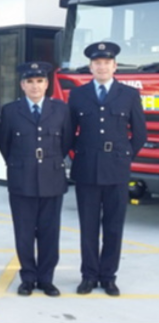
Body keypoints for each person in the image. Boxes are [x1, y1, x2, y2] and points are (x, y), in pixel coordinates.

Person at [69, 42, 147, 296]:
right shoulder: (78, 95)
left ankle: (108, 276)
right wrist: (75, 156)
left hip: (116, 169)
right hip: (87, 169)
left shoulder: (128, 95)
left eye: (106, 63)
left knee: (114, 226)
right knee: (88, 226)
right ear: (90, 67)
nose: (102, 67)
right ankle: (89, 275)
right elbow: (69, 132)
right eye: (97, 63)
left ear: (114, 66)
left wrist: (124, 157)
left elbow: (139, 133)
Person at [0, 62, 73, 297]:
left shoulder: (60, 109)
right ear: (22, 85)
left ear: (47, 84)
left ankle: (46, 278)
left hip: (52, 178)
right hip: (22, 178)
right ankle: (28, 277)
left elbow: (66, 142)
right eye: (29, 81)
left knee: (50, 232)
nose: (35, 86)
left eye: (39, 81)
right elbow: (4, 144)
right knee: (24, 232)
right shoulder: (10, 110)